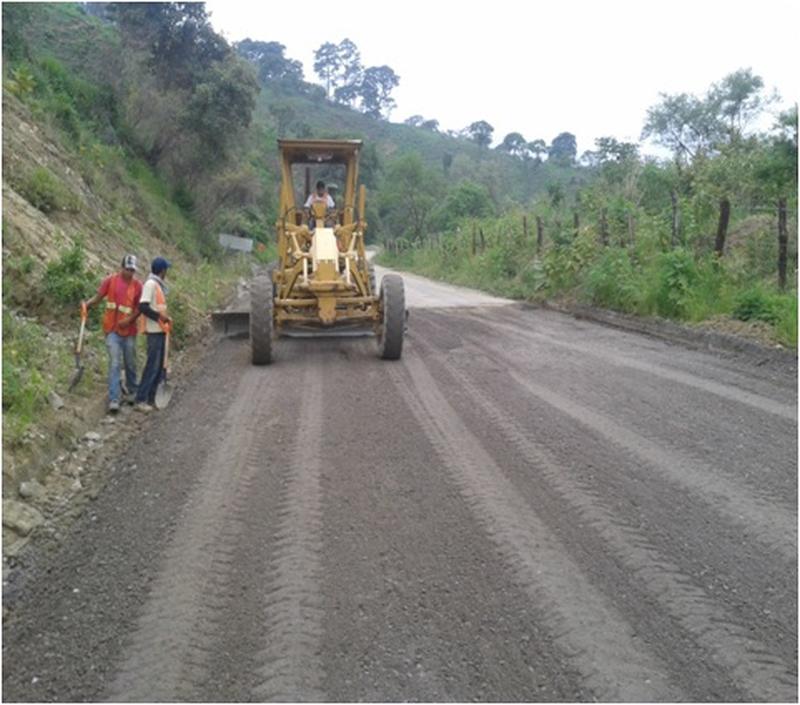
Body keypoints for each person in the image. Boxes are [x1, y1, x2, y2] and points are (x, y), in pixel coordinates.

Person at [82, 254, 142, 413]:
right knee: (114, 363)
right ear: (122, 267)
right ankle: (114, 398)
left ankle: (132, 391)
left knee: (130, 362)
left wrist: (129, 320)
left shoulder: (137, 286)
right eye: (128, 269)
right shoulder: (110, 281)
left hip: (129, 331)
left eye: (132, 270)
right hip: (112, 331)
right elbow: (98, 297)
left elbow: (139, 309)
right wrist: (86, 305)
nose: (130, 273)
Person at [135, 257, 172, 412]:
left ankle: (152, 397)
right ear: (162, 271)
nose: (167, 273)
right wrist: (159, 317)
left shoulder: (158, 285)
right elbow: (142, 307)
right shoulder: (150, 284)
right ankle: (141, 399)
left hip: (161, 331)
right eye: (166, 270)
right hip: (154, 332)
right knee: (152, 366)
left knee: (159, 367)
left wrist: (165, 320)